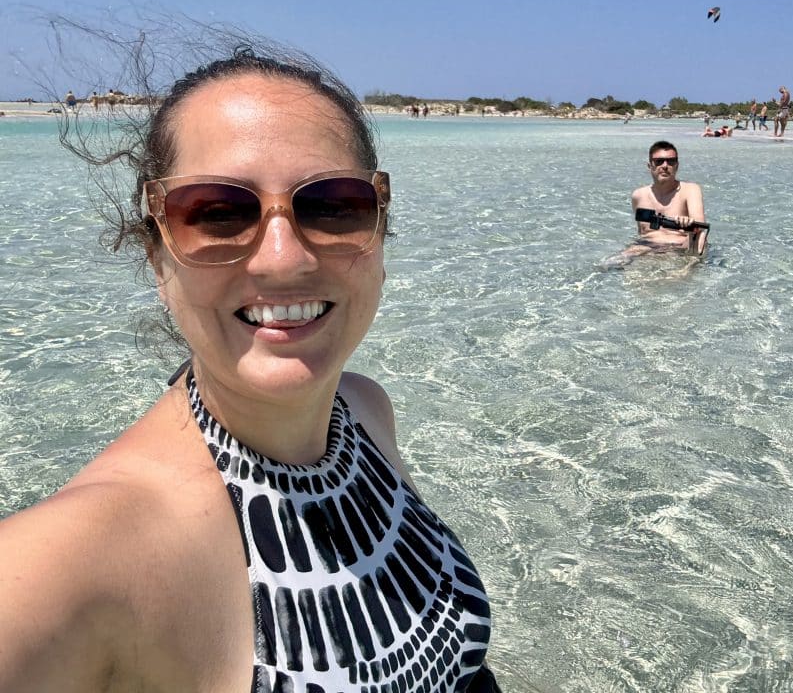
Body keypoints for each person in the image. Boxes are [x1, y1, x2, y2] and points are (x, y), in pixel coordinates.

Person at [0, 46, 498, 692]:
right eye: (217, 213)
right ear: (157, 259)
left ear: (380, 233)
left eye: (333, 204)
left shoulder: (366, 411)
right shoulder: (76, 562)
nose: (282, 260)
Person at [627, 141, 707, 257]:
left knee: (701, 237)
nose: (665, 166)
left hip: (679, 248)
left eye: (671, 161)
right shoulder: (638, 195)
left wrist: (689, 224)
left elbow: (700, 226)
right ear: (650, 166)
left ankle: (686, 270)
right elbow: (642, 232)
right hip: (646, 246)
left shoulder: (690, 190)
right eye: (659, 161)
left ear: (677, 166)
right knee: (607, 265)